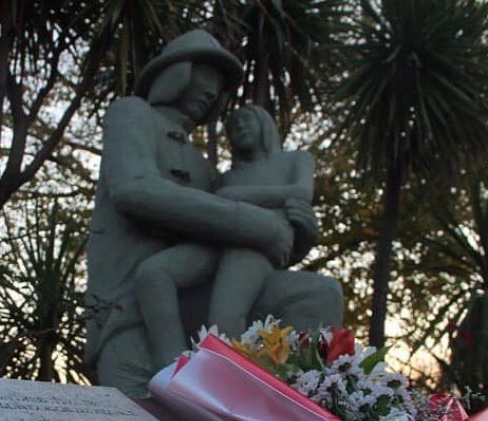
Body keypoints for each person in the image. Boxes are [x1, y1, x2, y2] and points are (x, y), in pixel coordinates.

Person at [85, 29, 342, 396]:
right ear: (177, 73)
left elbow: (237, 250)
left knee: (319, 295)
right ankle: (185, 376)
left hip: (200, 305)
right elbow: (134, 190)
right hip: (133, 313)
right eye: (205, 77)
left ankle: (295, 413)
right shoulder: (132, 114)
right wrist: (251, 222)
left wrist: (296, 236)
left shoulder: (205, 169)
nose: (210, 93)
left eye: (218, 87)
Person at [134, 105, 315, 368]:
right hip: (218, 239)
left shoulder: (295, 159)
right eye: (232, 126)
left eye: (246, 120)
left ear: (264, 124)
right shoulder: (226, 177)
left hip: (256, 245)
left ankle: (229, 385)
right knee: (152, 274)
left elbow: (301, 192)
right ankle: (172, 367)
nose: (239, 127)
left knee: (224, 318)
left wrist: (232, 196)